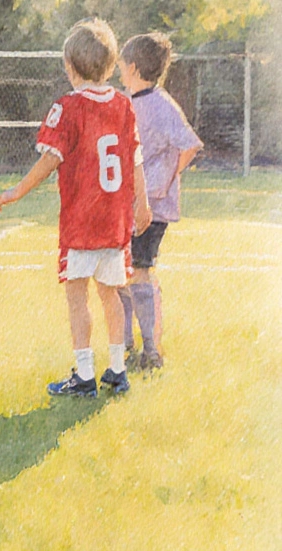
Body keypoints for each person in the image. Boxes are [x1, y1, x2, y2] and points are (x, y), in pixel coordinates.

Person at [0, 18, 152, 397]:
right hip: (114, 222)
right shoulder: (123, 105)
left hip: (82, 223)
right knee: (111, 293)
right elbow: (133, 159)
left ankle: (84, 375)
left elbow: (50, 160)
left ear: (69, 67)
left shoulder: (67, 107)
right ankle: (117, 370)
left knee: (77, 296)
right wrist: (142, 203)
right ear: (112, 66)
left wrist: (18, 190)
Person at [118, 32, 202, 370]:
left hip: (149, 207)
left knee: (140, 271)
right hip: (127, 204)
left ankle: (150, 352)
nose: (120, 73)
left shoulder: (162, 104)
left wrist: (165, 180)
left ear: (134, 68)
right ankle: (125, 345)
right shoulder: (128, 103)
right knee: (124, 273)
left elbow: (190, 144)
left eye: (122, 67)